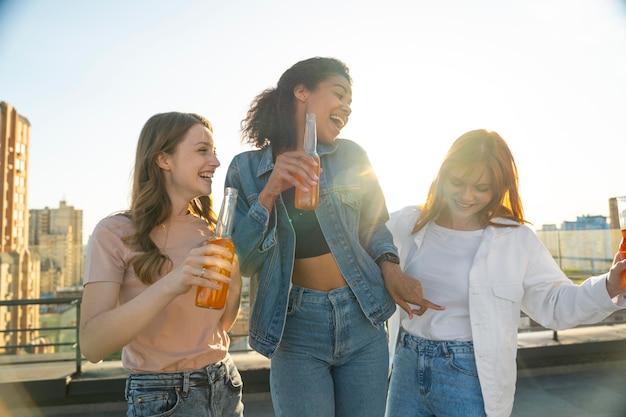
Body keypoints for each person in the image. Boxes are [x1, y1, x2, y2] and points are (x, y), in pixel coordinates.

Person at [224, 57, 442, 417]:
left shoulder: (352, 155)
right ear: (301, 91)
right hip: (294, 327)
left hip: (363, 313)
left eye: (351, 103)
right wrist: (270, 193)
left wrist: (391, 268)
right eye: (339, 94)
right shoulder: (245, 168)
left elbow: (373, 228)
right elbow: (242, 261)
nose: (347, 108)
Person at [384, 129, 626, 417]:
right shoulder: (405, 224)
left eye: (481, 187)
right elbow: (358, 266)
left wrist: (610, 285)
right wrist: (389, 273)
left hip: (469, 376)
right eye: (457, 182)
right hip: (405, 367)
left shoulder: (516, 238)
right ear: (442, 175)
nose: (466, 195)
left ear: (499, 187)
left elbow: (553, 304)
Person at [79, 112, 244, 417]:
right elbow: (92, 346)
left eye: (214, 151)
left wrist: (234, 284)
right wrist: (173, 283)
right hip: (162, 399)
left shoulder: (211, 232)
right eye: (202, 150)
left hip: (225, 385)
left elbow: (219, 325)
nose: (216, 162)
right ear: (163, 160)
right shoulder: (114, 232)